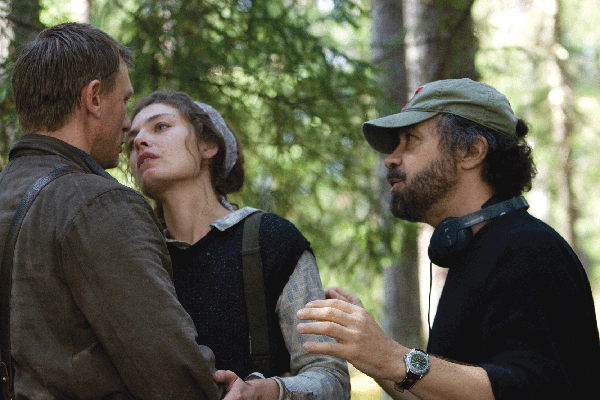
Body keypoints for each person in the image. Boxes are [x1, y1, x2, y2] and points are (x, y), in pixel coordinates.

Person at [296, 78, 600, 399]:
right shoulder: (475, 253)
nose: (391, 158)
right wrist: (370, 352)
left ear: (471, 151)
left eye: (410, 140)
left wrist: (390, 356)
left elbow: (533, 389)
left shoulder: (528, 249)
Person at [0, 23, 223, 399]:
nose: (127, 126)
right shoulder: (99, 204)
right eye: (124, 101)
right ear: (94, 98)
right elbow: (171, 374)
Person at [126, 91, 351, 400]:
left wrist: (271, 390)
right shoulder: (134, 257)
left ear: (208, 145)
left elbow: (331, 377)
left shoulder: (271, 239)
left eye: (160, 126)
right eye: (131, 140)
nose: (139, 142)